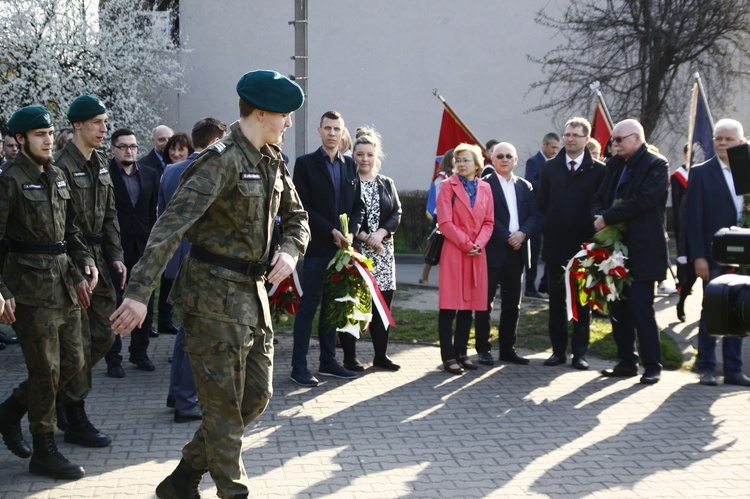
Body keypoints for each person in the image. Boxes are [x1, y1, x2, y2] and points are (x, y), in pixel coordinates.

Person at [110, 69, 309, 499]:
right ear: (260, 113)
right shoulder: (219, 160)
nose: (289, 124)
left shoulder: (270, 157)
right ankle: (232, 491)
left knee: (255, 396)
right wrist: (140, 294)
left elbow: (298, 218)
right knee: (222, 409)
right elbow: (169, 227)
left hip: (253, 298)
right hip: (211, 297)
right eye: (285, 115)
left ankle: (182, 478)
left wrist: (290, 251)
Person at [0, 105, 98, 479]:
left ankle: (8, 412)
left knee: (73, 363)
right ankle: (44, 448)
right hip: (28, 289)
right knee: (45, 371)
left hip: (63, 283)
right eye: (38, 134)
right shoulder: (9, 180)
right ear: (21, 139)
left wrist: (84, 261)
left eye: (49, 133)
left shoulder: (57, 174)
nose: (46, 139)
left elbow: (71, 230)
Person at [53, 95, 127, 447]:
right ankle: (74, 414)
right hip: (72, 262)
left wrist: (115, 256)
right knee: (78, 346)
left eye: (105, 121)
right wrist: (77, 267)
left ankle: (65, 398)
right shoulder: (59, 167)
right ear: (77, 125)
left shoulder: (100, 161)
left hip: (99, 257)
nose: (103, 128)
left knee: (105, 335)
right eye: (97, 122)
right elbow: (61, 226)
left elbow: (110, 213)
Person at [290, 110, 366, 387]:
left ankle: (328, 362)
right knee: (309, 306)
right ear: (319, 131)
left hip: (342, 250)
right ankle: (298, 367)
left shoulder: (349, 166)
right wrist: (331, 231)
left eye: (337, 129)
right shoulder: (305, 164)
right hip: (317, 247)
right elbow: (303, 206)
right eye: (328, 128)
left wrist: (351, 232)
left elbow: (357, 207)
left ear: (342, 132)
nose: (332, 133)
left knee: (332, 308)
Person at [159, 117, 227, 423]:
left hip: (177, 259)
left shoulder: (169, 171)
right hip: (204, 262)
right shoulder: (212, 168)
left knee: (185, 331)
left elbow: (162, 216)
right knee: (196, 334)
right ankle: (186, 401)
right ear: (214, 142)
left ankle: (176, 393)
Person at [592, 119, 669, 385]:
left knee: (640, 307)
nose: (613, 144)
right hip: (614, 249)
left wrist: (608, 217)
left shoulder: (657, 165)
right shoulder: (613, 165)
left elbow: (645, 200)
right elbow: (599, 197)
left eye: (618, 140)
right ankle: (626, 361)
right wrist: (598, 215)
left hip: (643, 249)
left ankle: (652, 366)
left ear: (636, 138)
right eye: (613, 140)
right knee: (618, 308)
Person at [686, 118, 750, 387]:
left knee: (740, 310)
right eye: (718, 139)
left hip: (744, 256)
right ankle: (707, 367)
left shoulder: (746, 170)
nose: (722, 143)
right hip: (714, 255)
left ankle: (734, 370)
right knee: (712, 308)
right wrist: (699, 256)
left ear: (741, 142)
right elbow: (693, 219)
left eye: (728, 139)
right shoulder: (701, 173)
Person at [537, 118, 605, 370]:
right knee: (556, 302)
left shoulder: (598, 170)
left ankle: (579, 353)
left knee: (581, 302)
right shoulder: (550, 168)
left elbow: (601, 205)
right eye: (567, 135)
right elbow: (542, 203)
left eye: (576, 135)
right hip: (556, 243)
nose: (570, 139)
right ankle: (557, 351)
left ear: (586, 139)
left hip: (585, 246)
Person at [474, 142, 540, 366]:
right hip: (492, 251)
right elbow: (484, 217)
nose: (504, 159)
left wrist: (522, 234)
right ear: (492, 159)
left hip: (517, 251)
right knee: (485, 303)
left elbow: (534, 215)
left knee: (513, 304)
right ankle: (483, 349)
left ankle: (507, 349)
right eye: (499, 155)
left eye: (508, 156)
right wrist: (507, 236)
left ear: (516, 160)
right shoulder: (484, 185)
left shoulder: (525, 186)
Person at [343, 126, 402, 371]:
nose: (365, 159)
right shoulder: (348, 182)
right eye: (360, 154)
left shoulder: (386, 183)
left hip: (384, 254)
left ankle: (381, 356)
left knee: (382, 306)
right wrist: (366, 236)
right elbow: (347, 214)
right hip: (358, 254)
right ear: (353, 155)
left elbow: (396, 212)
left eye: (369, 154)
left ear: (376, 157)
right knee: (353, 305)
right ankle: (350, 357)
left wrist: (380, 234)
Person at [104, 128, 160, 377]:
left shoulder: (149, 174)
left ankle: (140, 351)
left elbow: (152, 213)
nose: (129, 151)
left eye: (133, 146)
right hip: (114, 248)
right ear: (113, 148)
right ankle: (113, 357)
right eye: (124, 146)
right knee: (114, 302)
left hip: (143, 247)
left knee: (143, 298)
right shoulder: (104, 174)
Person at [437, 143, 494, 374]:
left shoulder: (486, 188)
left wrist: (478, 244)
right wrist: (466, 243)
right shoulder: (446, 186)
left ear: (477, 164)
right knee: (450, 306)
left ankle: (462, 353)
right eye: (458, 160)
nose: (460, 164)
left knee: (468, 307)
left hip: (476, 254)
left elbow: (489, 222)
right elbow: (445, 222)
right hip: (454, 251)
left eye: (465, 160)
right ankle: (448, 356)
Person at [157, 131, 195, 336]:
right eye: (173, 148)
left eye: (181, 149)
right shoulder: (168, 172)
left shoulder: (171, 172)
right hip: (178, 243)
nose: (176, 152)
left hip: (179, 242)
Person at [525, 132, 560, 297]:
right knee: (534, 250)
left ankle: (545, 284)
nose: (555, 151)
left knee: (552, 248)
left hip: (551, 214)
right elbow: (530, 183)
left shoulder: (556, 165)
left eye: (557, 148)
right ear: (544, 145)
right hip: (536, 215)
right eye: (552, 147)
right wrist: (550, 183)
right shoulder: (533, 162)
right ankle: (530, 286)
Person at [420, 148, 454, 285]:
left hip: (453, 215)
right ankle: (424, 277)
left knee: (448, 249)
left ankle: (446, 280)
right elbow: (442, 197)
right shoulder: (442, 176)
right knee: (436, 245)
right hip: (440, 215)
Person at [672, 143, 695, 322]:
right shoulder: (678, 176)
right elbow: (677, 203)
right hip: (684, 225)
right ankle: (681, 301)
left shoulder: (701, 173)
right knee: (689, 277)